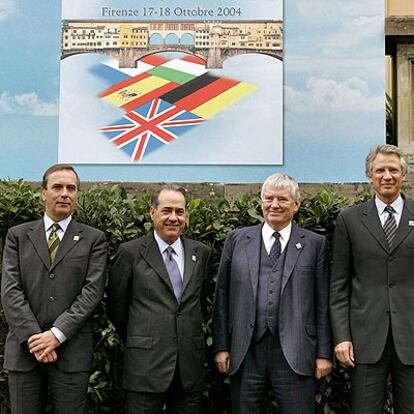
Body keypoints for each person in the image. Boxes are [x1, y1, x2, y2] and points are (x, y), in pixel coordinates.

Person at [213, 173, 332, 414]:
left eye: (282, 199)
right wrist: (222, 347)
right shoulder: (236, 240)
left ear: (296, 205)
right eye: (269, 198)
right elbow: (222, 297)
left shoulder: (315, 243)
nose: (274, 204)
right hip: (246, 352)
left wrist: (323, 353)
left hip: (296, 352)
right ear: (261, 202)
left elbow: (323, 302)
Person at [1, 164, 107, 414]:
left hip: (71, 354)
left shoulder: (94, 239)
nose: (65, 193)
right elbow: (10, 290)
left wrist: (57, 334)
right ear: (43, 193)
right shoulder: (17, 236)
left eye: (71, 188)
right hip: (24, 351)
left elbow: (92, 292)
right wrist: (34, 339)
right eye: (57, 187)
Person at [107, 185, 212, 414]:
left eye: (180, 211)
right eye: (166, 211)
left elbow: (199, 304)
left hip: (188, 369)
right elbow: (116, 308)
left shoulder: (201, 253)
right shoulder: (130, 252)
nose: (173, 218)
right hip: (145, 366)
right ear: (152, 213)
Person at [330, 144, 414, 414]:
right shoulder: (349, 219)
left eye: (393, 170)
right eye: (380, 170)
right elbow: (339, 285)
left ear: (404, 174)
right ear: (370, 176)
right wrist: (342, 337)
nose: (387, 176)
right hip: (365, 339)